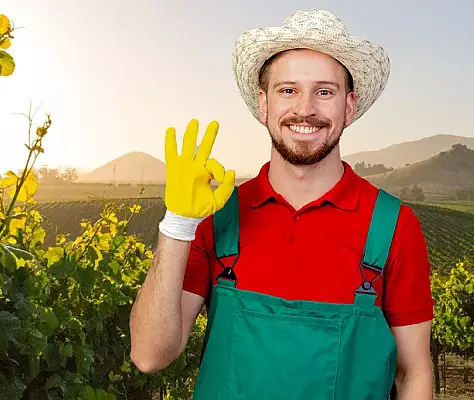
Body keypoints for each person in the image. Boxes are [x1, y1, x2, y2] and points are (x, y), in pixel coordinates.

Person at [129, 8, 434, 400]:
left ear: (349, 106)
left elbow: (414, 374)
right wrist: (178, 223)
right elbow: (150, 355)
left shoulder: (392, 226)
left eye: (324, 91)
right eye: (287, 90)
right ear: (263, 104)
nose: (304, 109)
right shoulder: (218, 217)